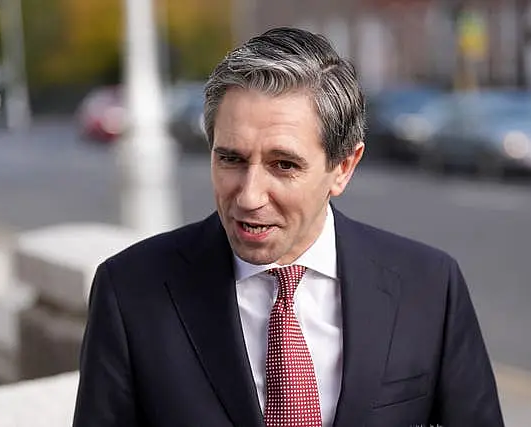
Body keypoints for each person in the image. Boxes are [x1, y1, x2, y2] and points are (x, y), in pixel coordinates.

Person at [73, 27, 504, 427]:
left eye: (283, 165)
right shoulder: (129, 290)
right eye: (231, 159)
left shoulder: (429, 286)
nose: (249, 196)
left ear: (343, 168)